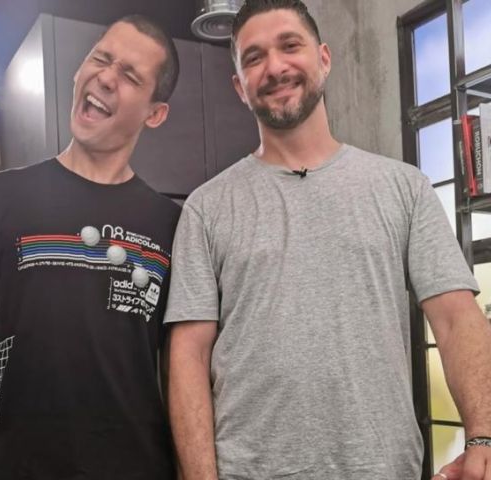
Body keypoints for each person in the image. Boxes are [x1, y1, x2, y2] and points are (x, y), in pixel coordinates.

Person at [164, 1, 491, 479]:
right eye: (254, 58)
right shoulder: (206, 209)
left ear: (323, 58)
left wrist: (482, 435)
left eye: (289, 46)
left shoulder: (404, 188)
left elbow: (457, 319)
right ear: (239, 86)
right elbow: (188, 357)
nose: (275, 67)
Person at [0, 14, 181, 480]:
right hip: (13, 468)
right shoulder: (3, 197)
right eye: (100, 59)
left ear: (155, 113)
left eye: (130, 76)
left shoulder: (172, 224)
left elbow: (179, 370)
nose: (106, 77)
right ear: (79, 69)